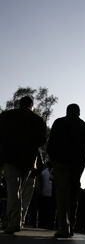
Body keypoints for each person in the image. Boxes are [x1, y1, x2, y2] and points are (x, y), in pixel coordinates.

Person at [47, 103, 85, 238]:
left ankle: (63, 228)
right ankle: (71, 225)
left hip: (60, 164)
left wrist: (53, 162)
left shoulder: (59, 123)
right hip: (77, 165)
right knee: (73, 195)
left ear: (67, 112)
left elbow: (50, 145)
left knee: (62, 196)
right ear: (79, 113)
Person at [0, 96, 47, 234]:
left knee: (13, 189)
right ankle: (12, 220)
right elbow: (41, 140)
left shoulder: (6, 115)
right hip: (28, 159)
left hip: (9, 157)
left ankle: (13, 222)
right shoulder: (39, 120)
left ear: (19, 104)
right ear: (32, 105)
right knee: (18, 190)